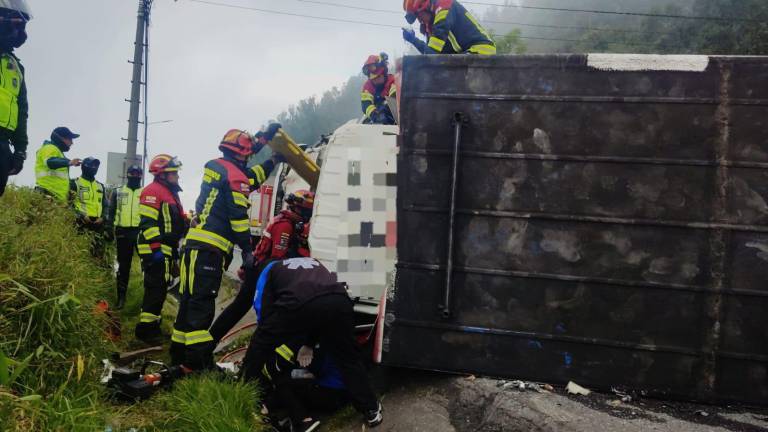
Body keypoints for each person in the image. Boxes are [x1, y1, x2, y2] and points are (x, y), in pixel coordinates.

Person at [170, 128, 278, 370]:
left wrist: (270, 158)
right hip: (210, 250)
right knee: (201, 306)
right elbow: (238, 218)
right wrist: (247, 251)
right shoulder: (235, 176)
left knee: (188, 302)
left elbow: (250, 177)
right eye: (249, 153)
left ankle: (178, 355)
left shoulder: (220, 167)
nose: (250, 157)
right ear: (242, 154)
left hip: (194, 246)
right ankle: (197, 364)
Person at [242, 257, 382, 428]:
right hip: (339, 299)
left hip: (298, 303)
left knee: (262, 350)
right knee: (348, 359)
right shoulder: (310, 262)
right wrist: (309, 343)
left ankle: (242, 391)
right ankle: (371, 409)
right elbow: (319, 306)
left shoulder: (268, 270)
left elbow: (262, 315)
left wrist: (262, 348)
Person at [208, 190, 315, 350]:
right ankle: (210, 343)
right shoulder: (285, 225)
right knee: (246, 310)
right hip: (262, 273)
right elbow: (278, 257)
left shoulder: (285, 220)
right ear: (298, 209)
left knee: (238, 308)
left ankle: (209, 342)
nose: (307, 215)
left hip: (258, 269)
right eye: (307, 211)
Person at [134, 154, 186, 343]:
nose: (177, 177)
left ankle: (152, 326)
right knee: (155, 289)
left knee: (160, 289)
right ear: (162, 174)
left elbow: (173, 221)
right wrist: (156, 249)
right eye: (174, 173)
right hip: (154, 248)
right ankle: (145, 330)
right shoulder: (153, 191)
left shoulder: (169, 193)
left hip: (165, 248)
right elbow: (148, 223)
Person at [261, 340, 349, 432]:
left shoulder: (311, 345)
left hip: (333, 394)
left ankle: (304, 421)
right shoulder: (326, 338)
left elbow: (314, 372)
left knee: (284, 386)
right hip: (343, 390)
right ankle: (269, 409)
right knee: (286, 386)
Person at [0, 0, 30, 196]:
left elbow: (22, 111)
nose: (18, 30)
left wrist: (20, 150)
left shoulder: (15, 67)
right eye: (16, 23)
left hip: (3, 142)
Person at [402, 0, 496, 55]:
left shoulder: (443, 10)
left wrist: (413, 40)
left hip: (480, 50)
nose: (420, 20)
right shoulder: (431, 23)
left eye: (419, 16)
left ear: (426, 7)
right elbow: (431, 56)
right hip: (466, 53)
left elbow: (432, 55)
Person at [109, 164, 144, 309]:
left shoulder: (145, 192)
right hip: (123, 232)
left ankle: (146, 299)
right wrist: (110, 229)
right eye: (132, 173)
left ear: (141, 176)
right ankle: (121, 298)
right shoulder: (117, 192)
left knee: (146, 266)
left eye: (137, 173)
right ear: (127, 174)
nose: (134, 176)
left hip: (140, 233)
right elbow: (111, 213)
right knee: (123, 267)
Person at [70, 157, 108, 257]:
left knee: (98, 255)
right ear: (84, 166)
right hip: (81, 223)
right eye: (92, 165)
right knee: (80, 254)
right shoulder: (75, 183)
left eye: (96, 166)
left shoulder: (100, 186)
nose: (94, 168)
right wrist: (81, 216)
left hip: (98, 224)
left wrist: (103, 217)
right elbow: (69, 204)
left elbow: (105, 205)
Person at [34, 127, 82, 202]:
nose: (72, 143)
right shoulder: (49, 148)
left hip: (56, 198)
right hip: (48, 196)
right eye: (70, 139)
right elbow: (50, 162)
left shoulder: (58, 152)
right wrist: (69, 162)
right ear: (61, 138)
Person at [361, 53, 396, 125]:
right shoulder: (367, 86)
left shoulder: (393, 80)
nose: (375, 80)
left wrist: (386, 109)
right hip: (377, 118)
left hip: (395, 116)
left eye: (378, 77)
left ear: (384, 73)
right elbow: (366, 105)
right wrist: (375, 115)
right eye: (373, 79)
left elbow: (396, 98)